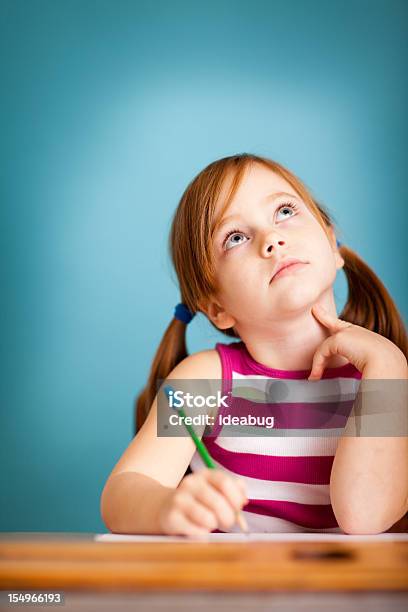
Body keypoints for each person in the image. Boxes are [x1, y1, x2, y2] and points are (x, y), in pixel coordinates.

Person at [100, 153, 408, 536]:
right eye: (236, 237)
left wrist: (389, 367)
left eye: (284, 211)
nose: (271, 239)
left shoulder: (388, 377)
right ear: (217, 308)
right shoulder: (207, 381)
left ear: (331, 243)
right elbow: (121, 495)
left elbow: (364, 517)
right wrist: (165, 506)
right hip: (236, 592)